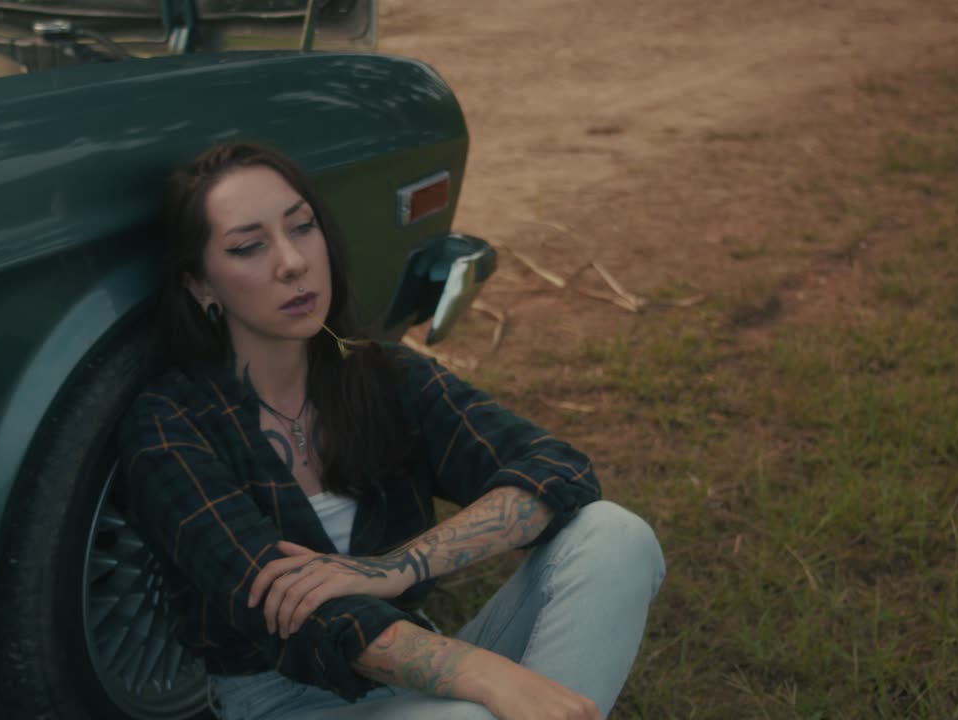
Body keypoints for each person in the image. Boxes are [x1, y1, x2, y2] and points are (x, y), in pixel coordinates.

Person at [119, 142, 666, 720]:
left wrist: (393, 568)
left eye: (302, 228)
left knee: (615, 534)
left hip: (420, 665)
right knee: (471, 716)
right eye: (248, 247)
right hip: (287, 700)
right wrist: (487, 676)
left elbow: (558, 471)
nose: (292, 262)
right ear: (201, 285)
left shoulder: (385, 376)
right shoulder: (169, 426)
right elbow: (304, 617)